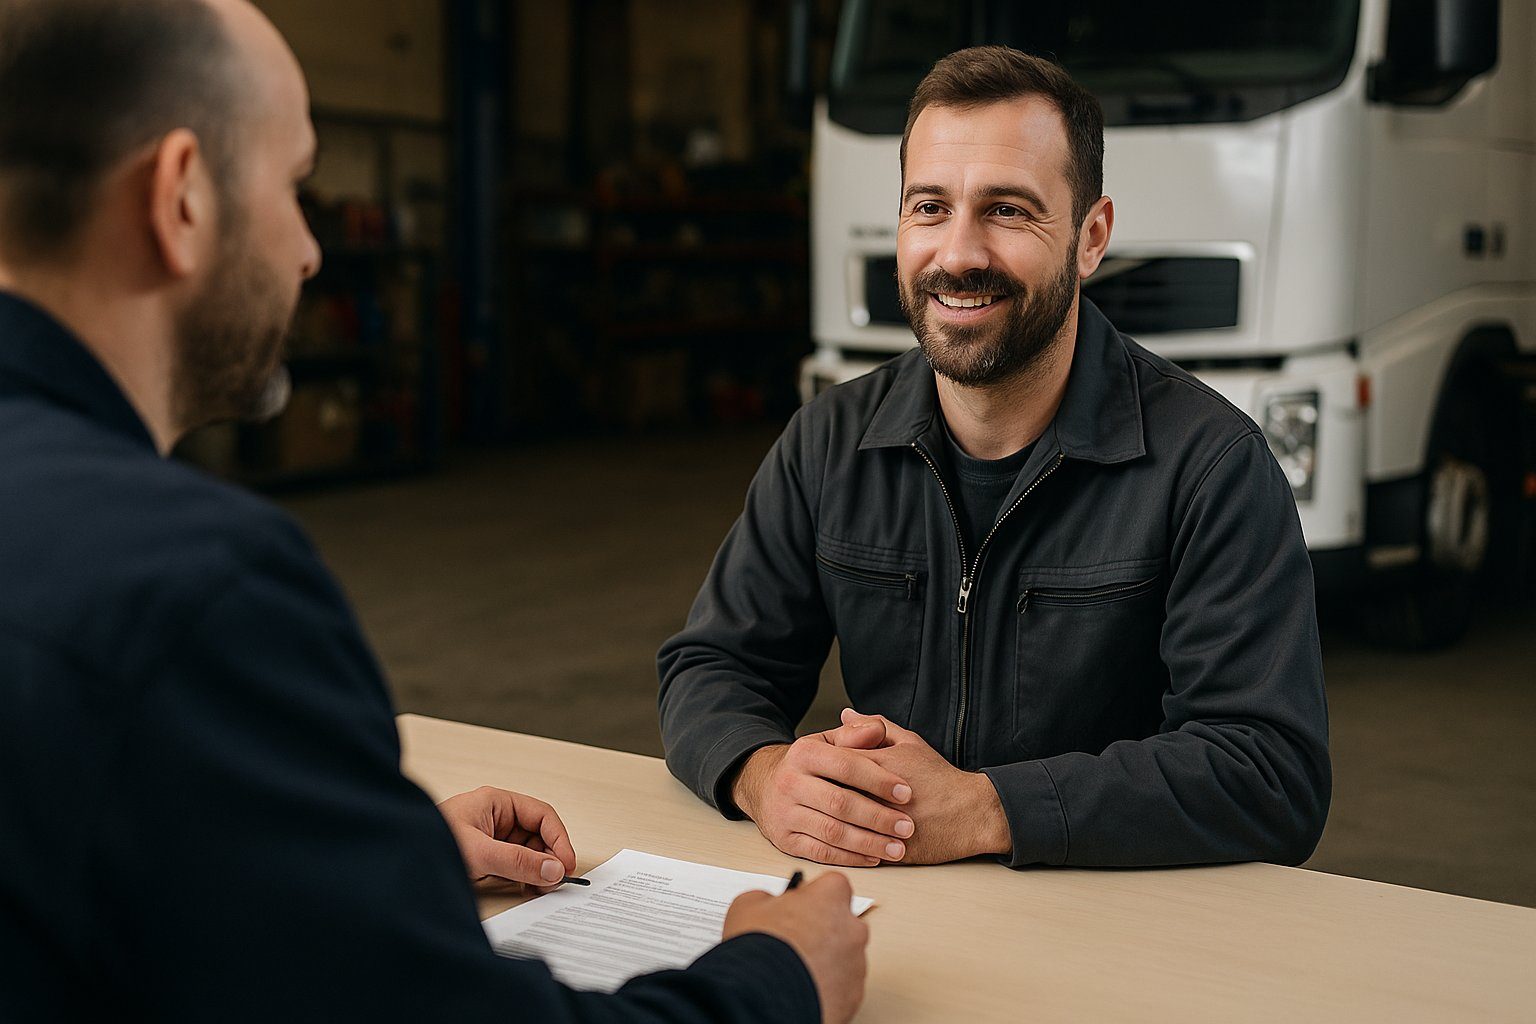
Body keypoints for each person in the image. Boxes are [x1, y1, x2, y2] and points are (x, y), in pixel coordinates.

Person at [0, 1, 866, 1021]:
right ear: (181, 197)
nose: (310, 250)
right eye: (293, 187)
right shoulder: (197, 588)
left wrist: (353, 867)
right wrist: (775, 973)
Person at [658, 46, 1331, 871]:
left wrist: (986, 809)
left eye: (1007, 210)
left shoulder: (1210, 467)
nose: (958, 254)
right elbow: (712, 664)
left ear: (1090, 238)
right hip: (892, 905)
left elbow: (1269, 771)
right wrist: (765, 777)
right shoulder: (828, 442)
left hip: (1110, 921)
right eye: (929, 207)